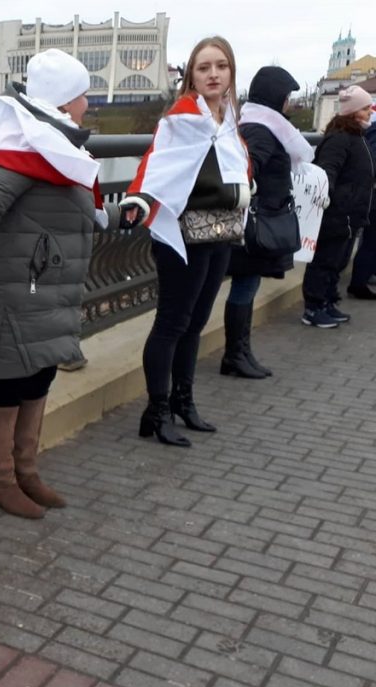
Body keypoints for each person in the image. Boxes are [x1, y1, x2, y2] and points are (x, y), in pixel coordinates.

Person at [0, 49, 114, 519]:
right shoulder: (21, 151)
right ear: (66, 101)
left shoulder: (58, 149)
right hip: (15, 289)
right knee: (9, 382)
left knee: (42, 372)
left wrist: (117, 213)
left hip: (46, 286)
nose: (87, 104)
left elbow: (78, 210)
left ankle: (25, 470)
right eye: (83, 95)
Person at [118, 36, 251, 447]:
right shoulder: (182, 116)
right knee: (172, 322)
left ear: (231, 72)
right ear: (191, 75)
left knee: (195, 322)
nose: (213, 74)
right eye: (204, 67)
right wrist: (138, 197)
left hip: (221, 230)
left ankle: (183, 401)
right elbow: (156, 160)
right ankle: (156, 411)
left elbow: (238, 164)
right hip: (182, 232)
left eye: (221, 66)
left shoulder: (229, 119)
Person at [222, 66, 313, 377]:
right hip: (254, 222)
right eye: (287, 97)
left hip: (257, 219)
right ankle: (236, 354)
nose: (289, 103)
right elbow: (249, 169)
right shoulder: (262, 129)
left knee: (247, 285)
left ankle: (239, 353)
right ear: (278, 97)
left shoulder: (257, 124)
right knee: (245, 286)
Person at [302, 85, 374, 326]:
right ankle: (313, 307)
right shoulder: (341, 138)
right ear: (354, 111)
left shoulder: (355, 136)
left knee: (338, 261)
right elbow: (327, 171)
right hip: (337, 213)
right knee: (325, 260)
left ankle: (328, 301)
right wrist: (332, 198)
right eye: (365, 108)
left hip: (350, 214)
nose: (369, 112)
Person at [344, 101, 376, 300]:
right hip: (370, 196)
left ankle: (362, 279)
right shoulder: (373, 133)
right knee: (371, 241)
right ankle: (359, 283)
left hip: (368, 195)